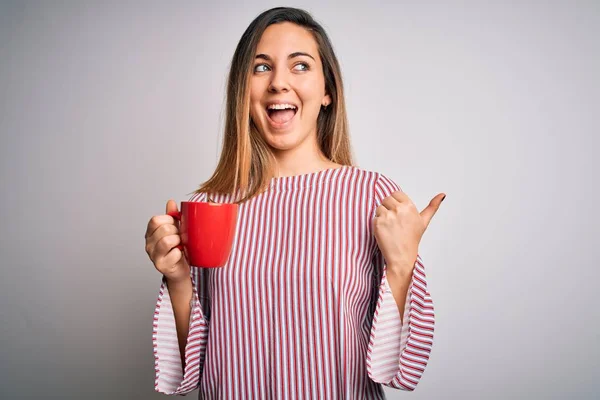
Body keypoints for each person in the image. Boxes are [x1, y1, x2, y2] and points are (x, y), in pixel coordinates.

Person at [144, 7, 444, 399]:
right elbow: (191, 372)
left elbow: (394, 368)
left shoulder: (372, 196)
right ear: (243, 89)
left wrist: (402, 264)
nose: (279, 83)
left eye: (300, 66)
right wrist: (178, 279)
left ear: (327, 91)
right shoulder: (207, 207)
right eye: (261, 67)